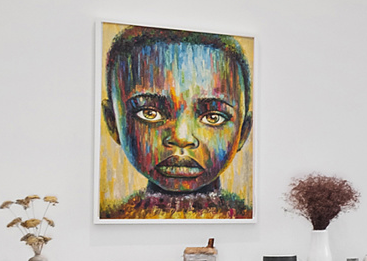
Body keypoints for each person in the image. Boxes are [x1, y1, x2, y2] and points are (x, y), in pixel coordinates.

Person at [100, 25, 253, 218]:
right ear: (112, 122)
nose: (181, 137)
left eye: (212, 117)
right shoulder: (113, 218)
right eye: (149, 113)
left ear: (243, 132)